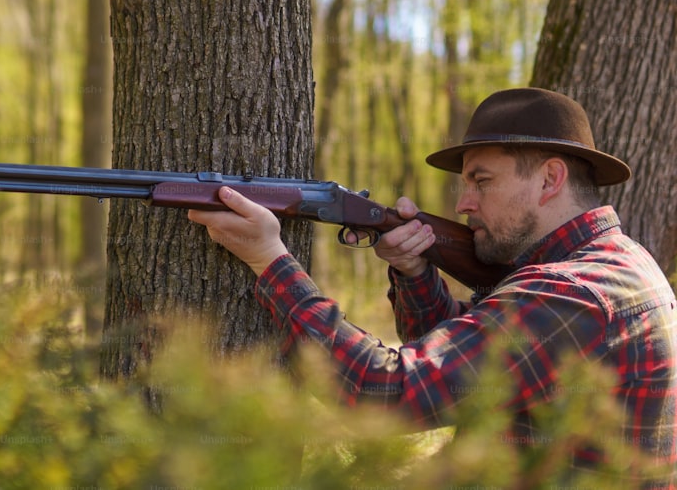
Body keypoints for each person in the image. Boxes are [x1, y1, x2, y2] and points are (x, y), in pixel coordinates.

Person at [188, 87, 677, 487]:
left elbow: (387, 395)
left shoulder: (570, 292)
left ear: (550, 179)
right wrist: (416, 273)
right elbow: (477, 364)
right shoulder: (615, 265)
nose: (464, 203)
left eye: (481, 182)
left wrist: (270, 261)